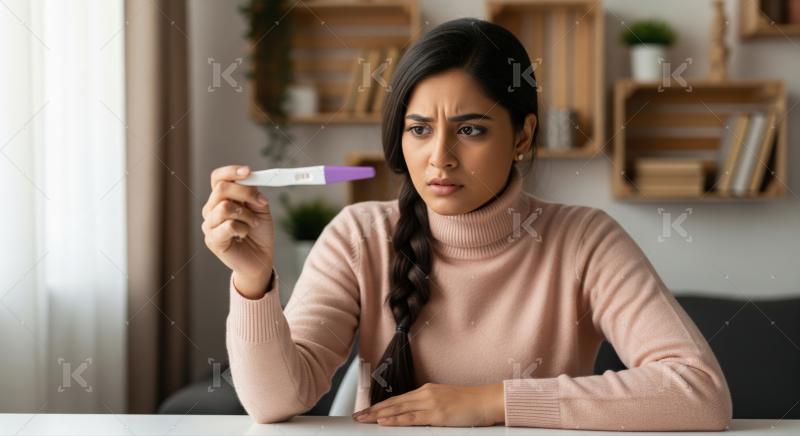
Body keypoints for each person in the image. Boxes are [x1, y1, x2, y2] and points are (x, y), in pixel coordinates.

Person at [201, 17, 732, 430]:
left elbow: (699, 392)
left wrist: (491, 402)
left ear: (522, 136)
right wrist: (253, 282)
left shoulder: (584, 240)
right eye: (419, 130)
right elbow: (274, 403)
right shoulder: (358, 235)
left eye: (471, 130)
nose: (440, 158)